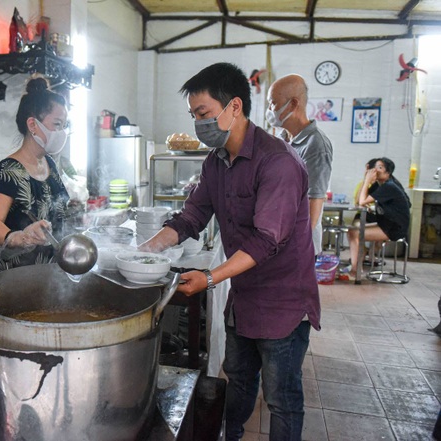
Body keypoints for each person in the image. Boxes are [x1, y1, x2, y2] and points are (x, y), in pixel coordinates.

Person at [138, 62, 320, 441]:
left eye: (203, 114)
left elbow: (266, 239)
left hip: (282, 300)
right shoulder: (216, 163)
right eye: (193, 116)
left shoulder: (278, 162)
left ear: (234, 106)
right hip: (244, 294)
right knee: (237, 380)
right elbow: (191, 217)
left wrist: (208, 278)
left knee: (282, 398)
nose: (198, 124)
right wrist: (143, 251)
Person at [0, 76, 70, 280]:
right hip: (6, 281)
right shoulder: (9, 171)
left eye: (64, 125)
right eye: (57, 124)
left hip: (41, 276)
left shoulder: (49, 164)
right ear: (33, 125)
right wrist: (20, 237)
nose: (62, 132)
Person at [266, 74, 334, 257]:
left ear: (293, 104)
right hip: (278, 237)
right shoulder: (282, 139)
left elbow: (314, 201)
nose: (270, 109)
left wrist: (295, 244)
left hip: (298, 245)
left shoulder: (316, 144)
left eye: (273, 103)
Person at [346, 157, 411, 280]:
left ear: (388, 172)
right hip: (385, 223)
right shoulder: (379, 184)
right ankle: (356, 268)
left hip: (394, 228)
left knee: (355, 233)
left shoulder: (389, 186)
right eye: (375, 167)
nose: (375, 170)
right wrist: (366, 179)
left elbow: (363, 200)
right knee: (352, 230)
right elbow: (359, 201)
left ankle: (356, 270)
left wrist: (366, 181)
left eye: (380, 167)